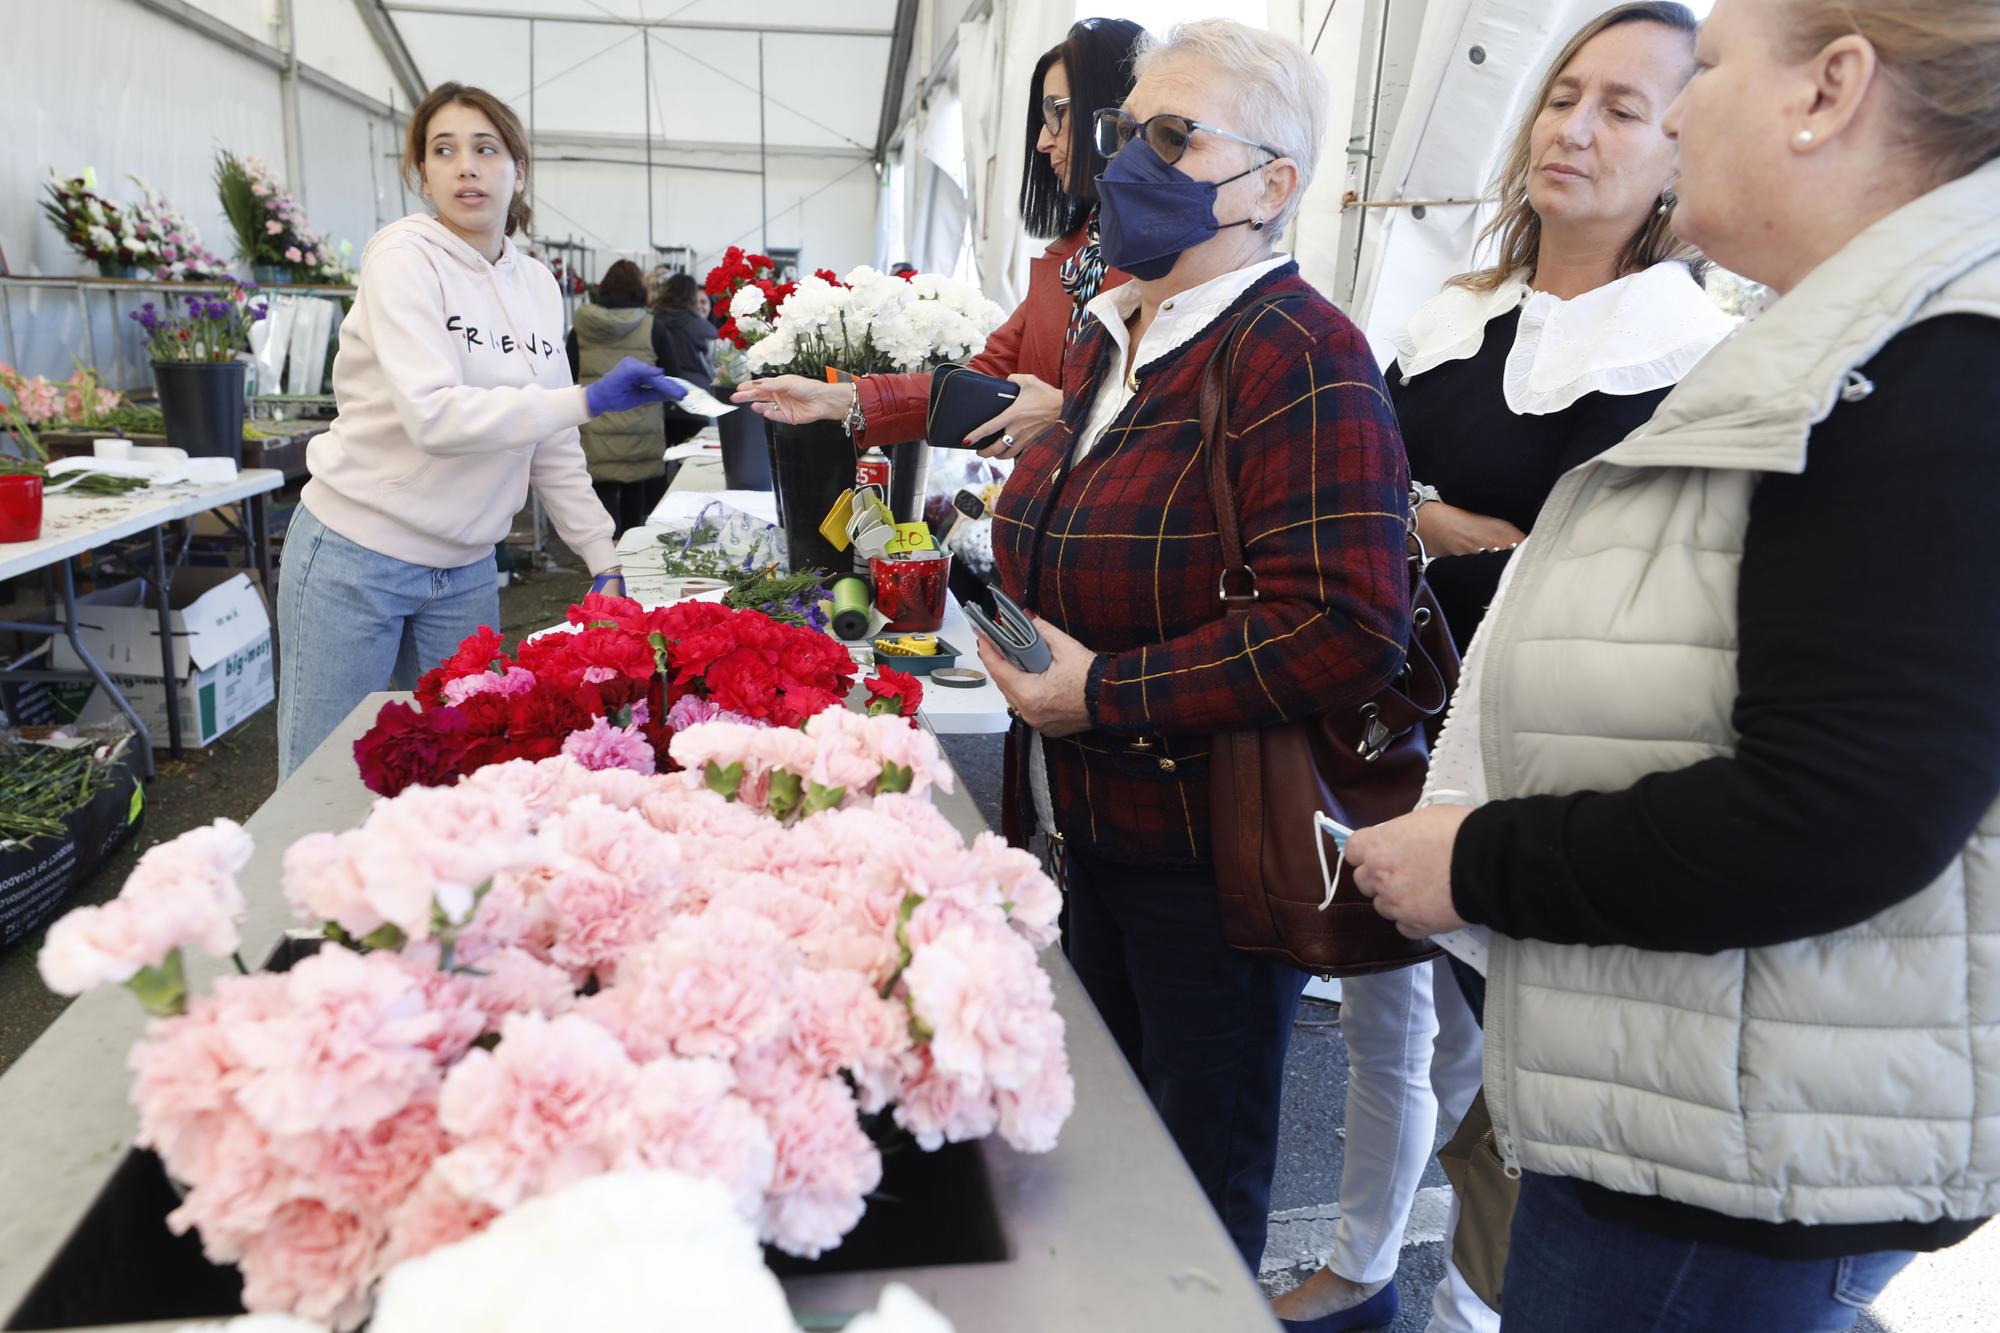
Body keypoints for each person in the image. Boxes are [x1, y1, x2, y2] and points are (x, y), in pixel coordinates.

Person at [1349, 0, 2000, 1327]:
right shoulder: (1851, 347)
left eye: (1701, 72)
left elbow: (1839, 808)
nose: (1686, 110)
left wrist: (1477, 860)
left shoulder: (1928, 369)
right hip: (1709, 1094)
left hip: (1741, 1153)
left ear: (1831, 90)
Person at [1271, 6, 1733, 1331]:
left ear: (1681, 153)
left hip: (1541, 768)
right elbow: (1359, 499)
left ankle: (1468, 1305)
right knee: (1378, 1018)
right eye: (1562, 93)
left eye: (1623, 110)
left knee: (1510, 1082)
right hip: (1387, 718)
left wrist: (1434, 520)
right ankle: (1362, 1262)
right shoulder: (1453, 316)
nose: (1574, 130)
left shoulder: (1692, 357)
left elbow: (1623, 581)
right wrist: (1441, 522)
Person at [978, 19, 1414, 1273]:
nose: (1125, 163)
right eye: (1126, 134)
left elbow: (1346, 627)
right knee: (1097, 1161)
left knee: (1182, 1200)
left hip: (1200, 866)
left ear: (1272, 184)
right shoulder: (1118, 334)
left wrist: (1104, 692)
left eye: (1172, 138)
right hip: (1082, 831)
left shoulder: (1300, 353)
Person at [276, 84, 683, 779]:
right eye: (444, 150)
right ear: (422, 173)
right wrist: (583, 400)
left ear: (517, 171)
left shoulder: (535, 284)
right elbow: (433, 417)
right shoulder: (403, 260)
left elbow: (548, 441)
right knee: (326, 778)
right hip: (357, 556)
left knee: (452, 772)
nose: (466, 166)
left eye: (485, 149)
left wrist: (602, 557)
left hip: (465, 569)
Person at [728, 16, 1148, 457]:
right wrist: (842, 398)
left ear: (1115, 111)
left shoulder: (1169, 266)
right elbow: (977, 382)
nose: (1043, 140)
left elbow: (1171, 424)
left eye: (1057, 113)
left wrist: (1066, 415)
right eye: (1044, 117)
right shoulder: (1073, 260)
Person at [564, 259, 691, 536]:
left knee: (601, 504)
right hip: (640, 428)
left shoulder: (580, 328)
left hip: (594, 425)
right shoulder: (652, 327)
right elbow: (672, 375)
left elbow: (567, 374)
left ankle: (603, 562)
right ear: (639, 289)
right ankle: (631, 566)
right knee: (635, 507)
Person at [652, 272, 719, 387]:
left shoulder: (651, 321)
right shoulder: (703, 328)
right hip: (695, 390)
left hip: (655, 386)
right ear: (691, 296)